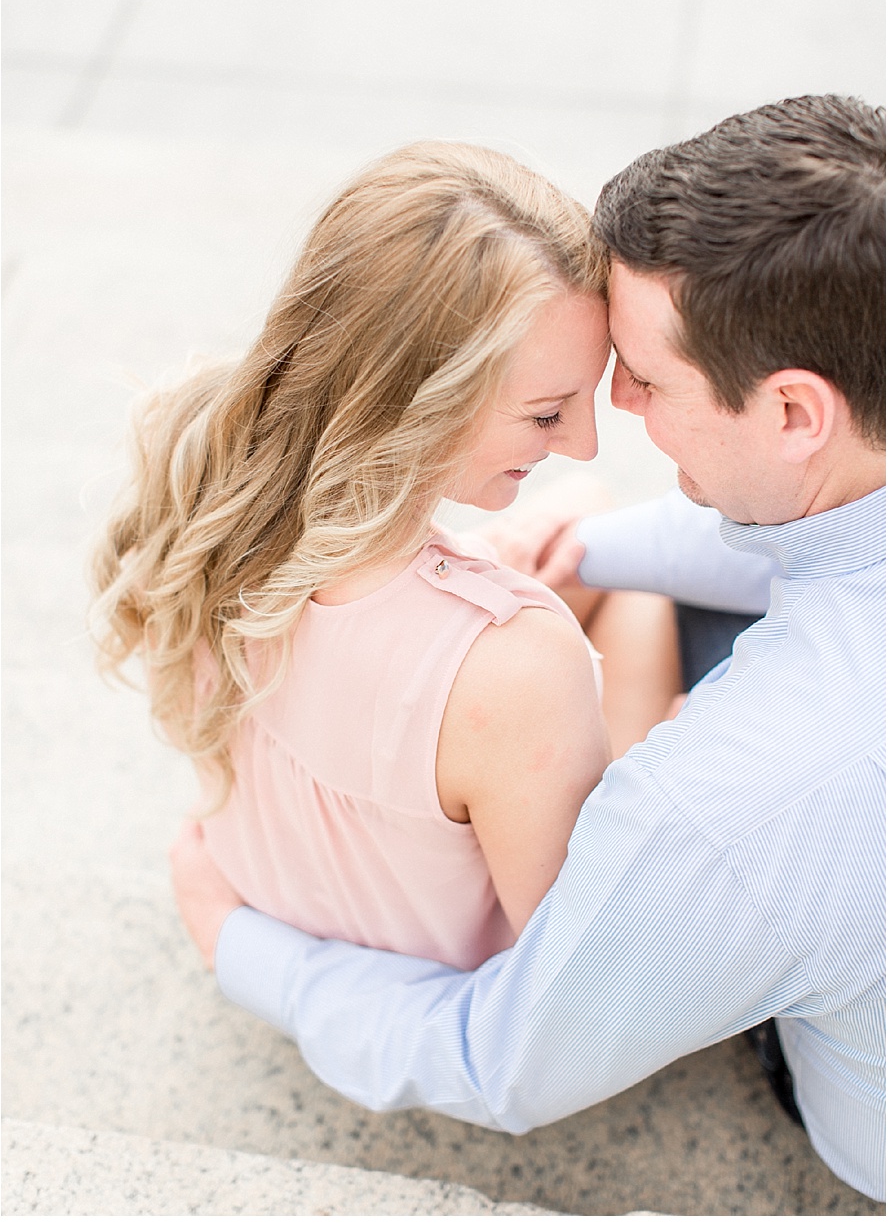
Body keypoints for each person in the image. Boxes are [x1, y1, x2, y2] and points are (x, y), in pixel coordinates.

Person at [169, 95, 885, 1201]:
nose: (616, 415)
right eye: (565, 404)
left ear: (796, 412)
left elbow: (503, 1056)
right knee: (636, 577)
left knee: (643, 611)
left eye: (642, 377)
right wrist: (588, 545)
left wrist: (242, 946)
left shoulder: (723, 802)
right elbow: (825, 547)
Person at [92, 141, 679, 977]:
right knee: (641, 585)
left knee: (589, 520)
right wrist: (658, 749)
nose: (583, 441)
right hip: (432, 963)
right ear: (421, 403)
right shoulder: (522, 665)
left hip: (288, 888)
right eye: (547, 414)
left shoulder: (212, 478)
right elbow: (587, 978)